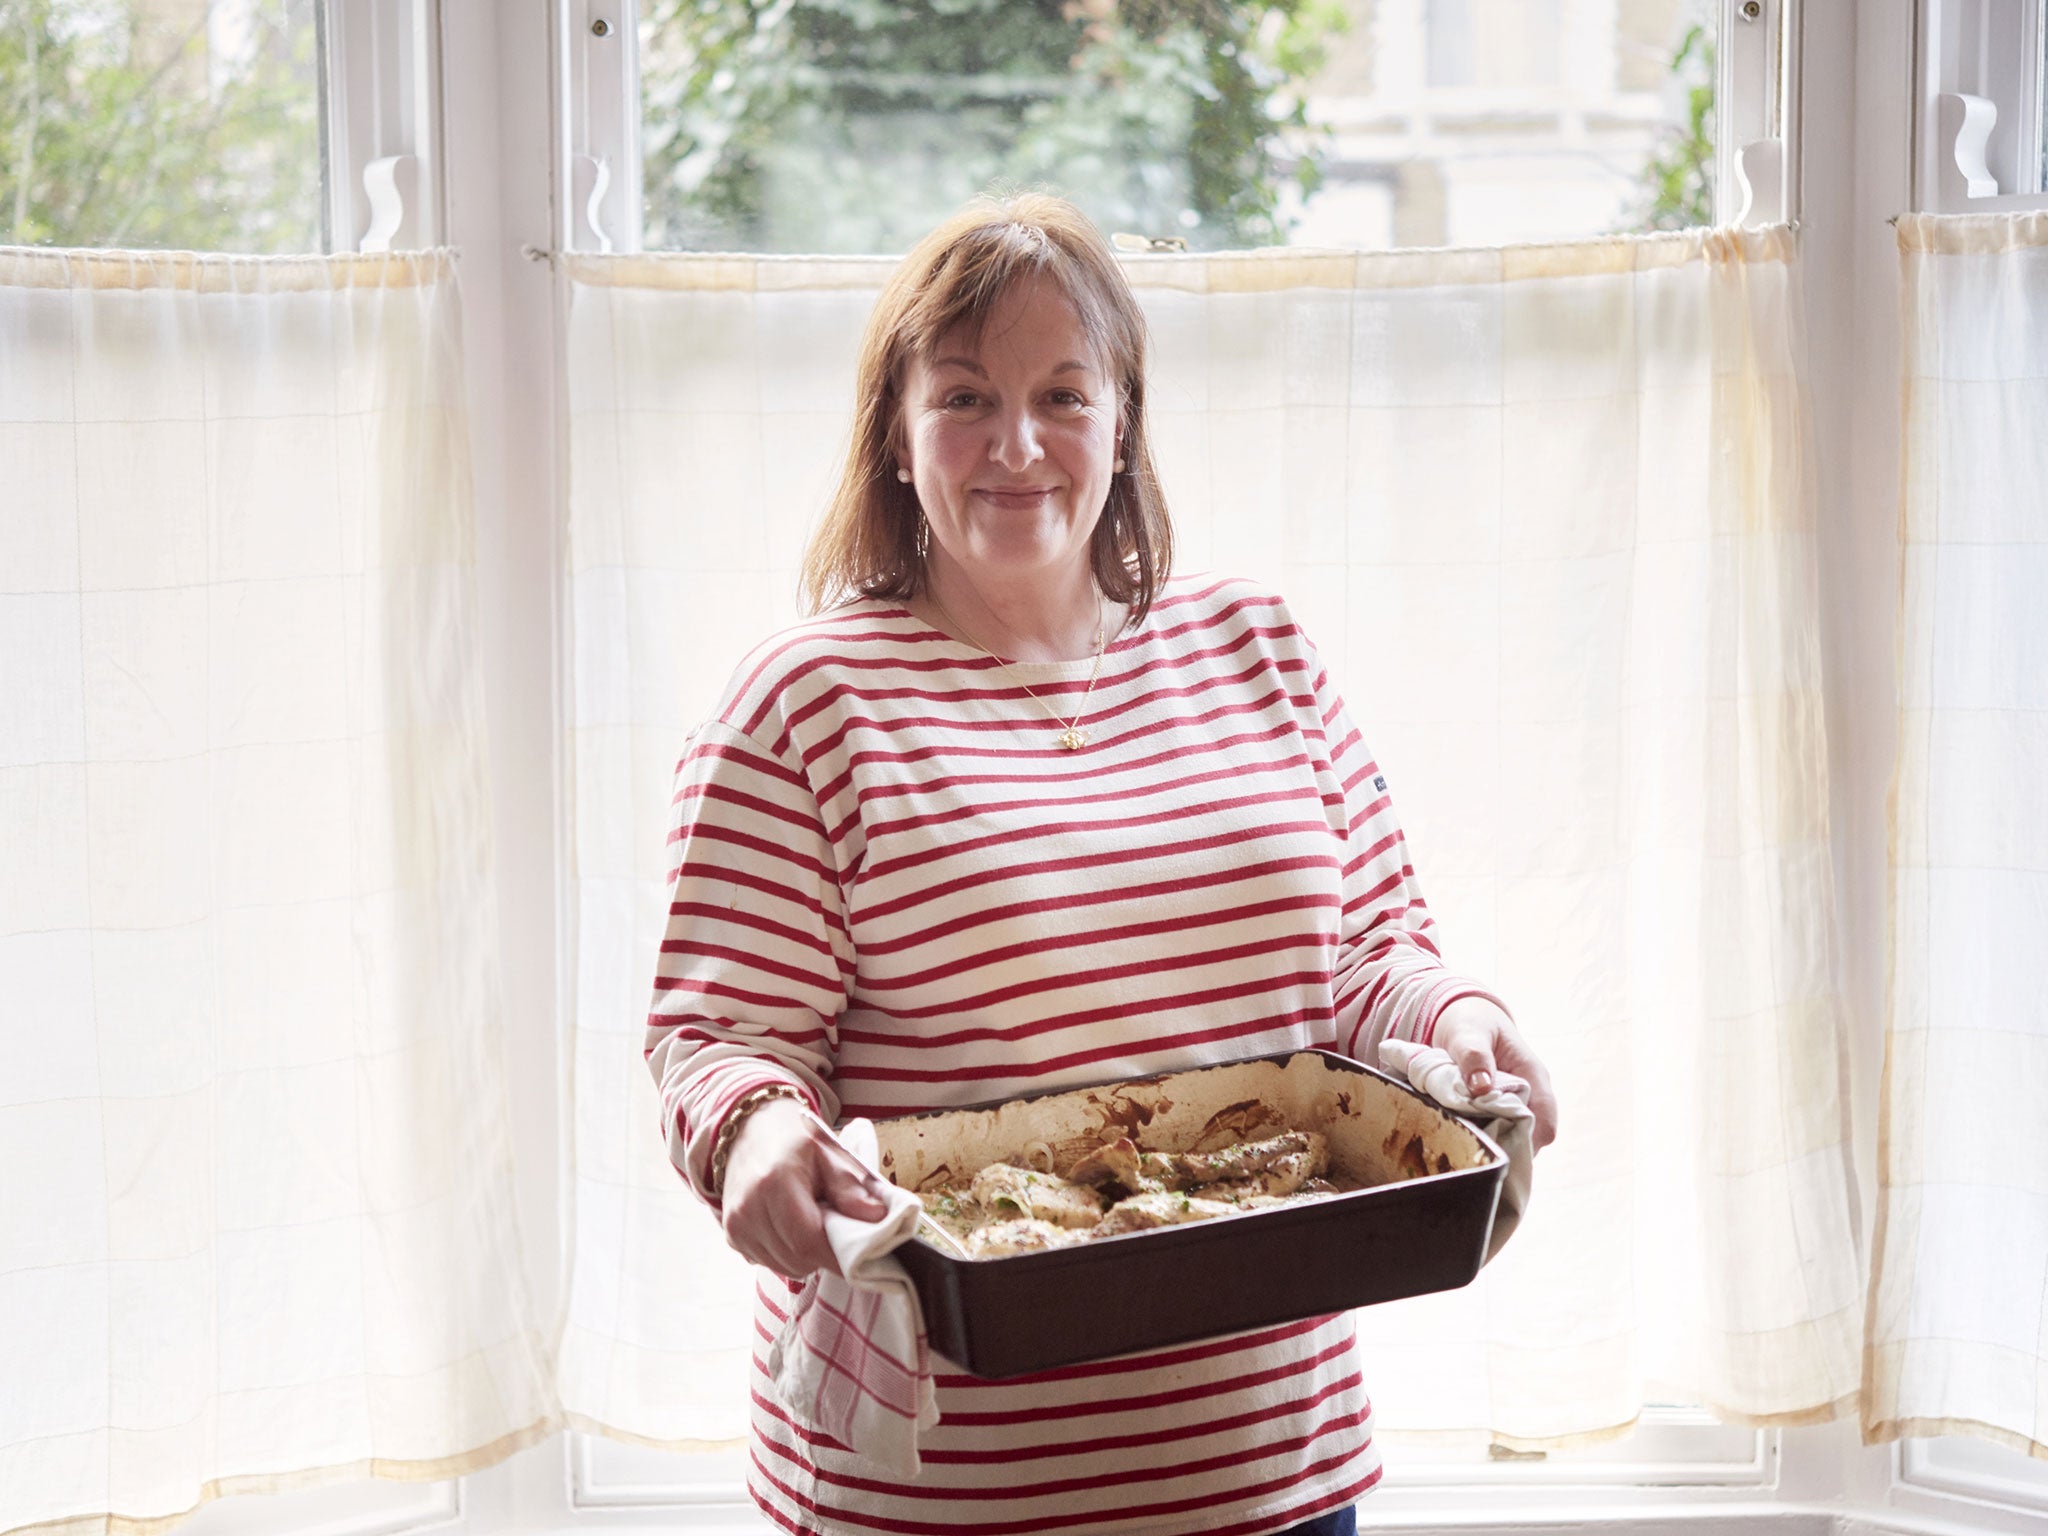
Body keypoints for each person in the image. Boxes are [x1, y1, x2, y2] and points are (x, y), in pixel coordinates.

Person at [644, 193, 1559, 1536]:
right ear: (895, 439)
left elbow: (1375, 964)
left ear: (1123, 421)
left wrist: (1465, 1025)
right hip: (946, 1494)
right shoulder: (804, 706)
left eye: (1063, 395)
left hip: (1273, 1474)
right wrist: (755, 1133)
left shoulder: (1259, 650)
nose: (1017, 444)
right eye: (964, 398)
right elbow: (719, 1040)